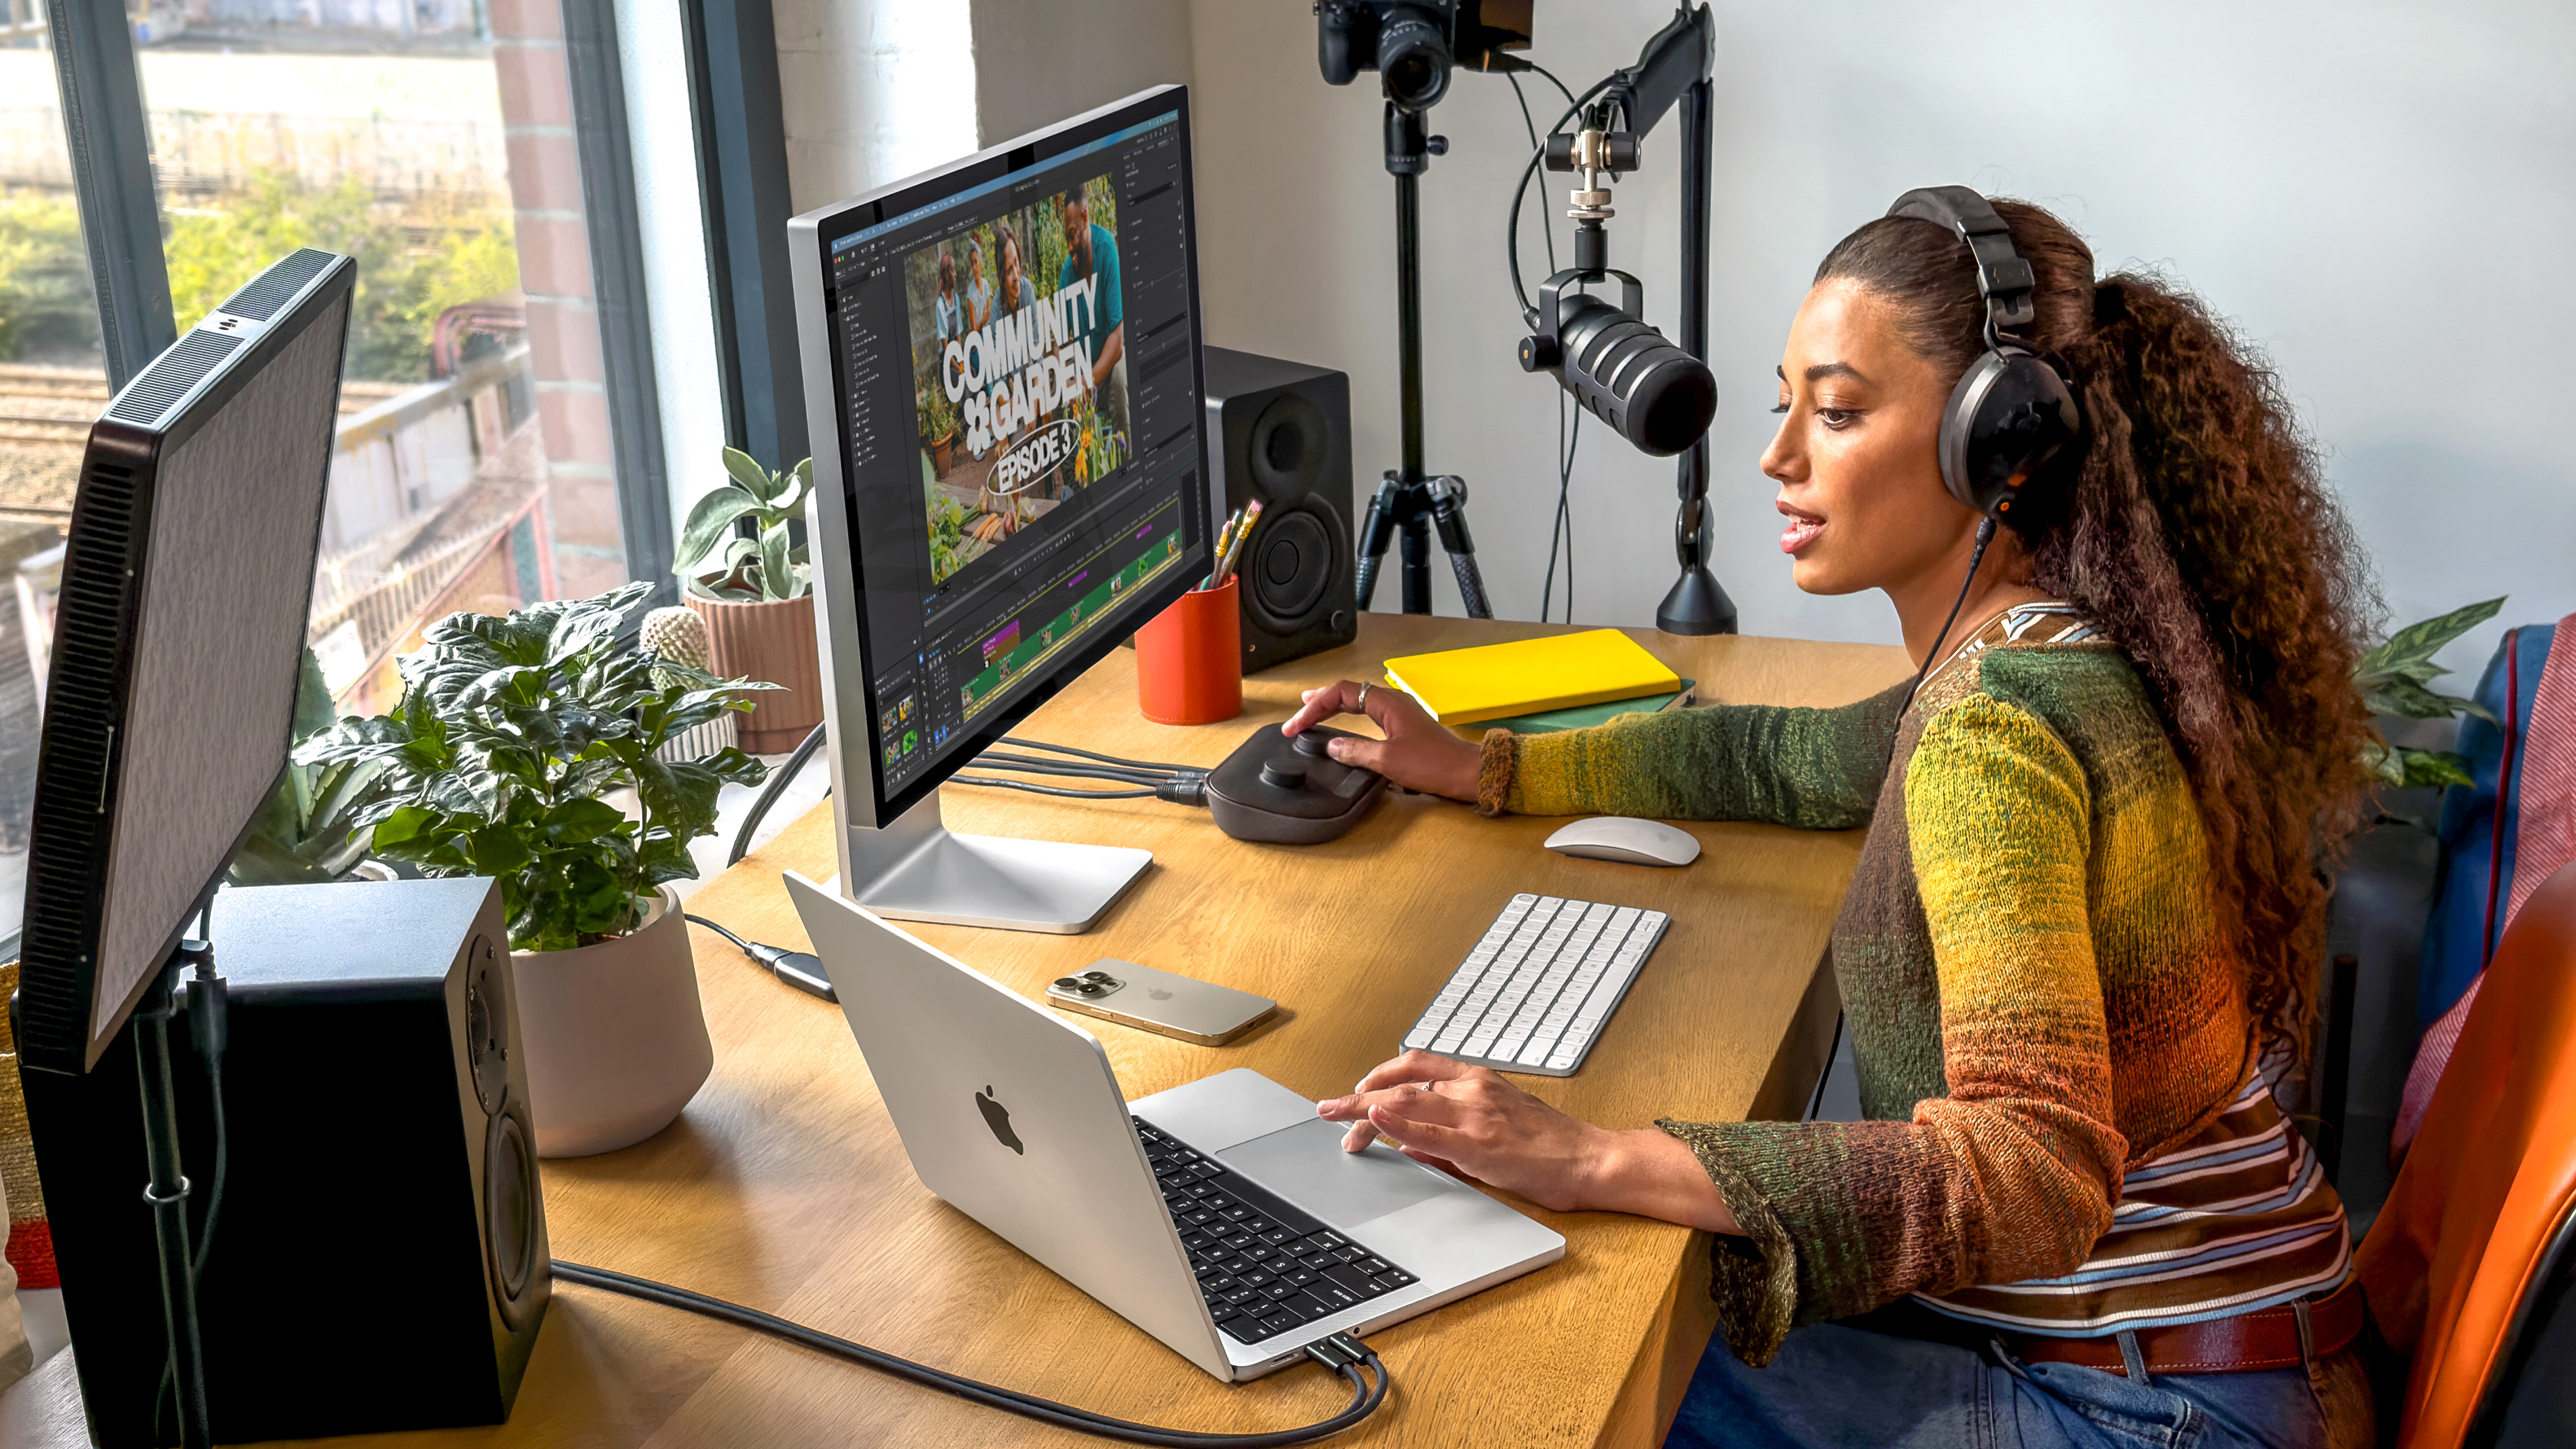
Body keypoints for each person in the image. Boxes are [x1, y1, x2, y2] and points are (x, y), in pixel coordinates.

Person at [1283, 195, 2376, 1449]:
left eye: (1839, 409)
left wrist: (1590, 1154)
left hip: (2155, 1404)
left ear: (1991, 445)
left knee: (1556, 1374)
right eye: (1784, 403)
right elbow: (1783, 751)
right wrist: (1484, 767)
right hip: (2238, 1340)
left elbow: (2028, 1169)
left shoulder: (1994, 726)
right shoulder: (2045, 645)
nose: (1776, 456)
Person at [1057, 187, 1123, 400]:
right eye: (1066, 238)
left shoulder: (1106, 249)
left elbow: (1117, 339)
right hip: (1083, 367)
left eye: (1073, 235)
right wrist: (1069, 383)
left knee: (1120, 379)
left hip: (1108, 365)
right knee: (1057, 392)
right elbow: (1058, 345)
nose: (1069, 247)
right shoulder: (1067, 274)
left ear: (1085, 217)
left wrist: (1085, 384)